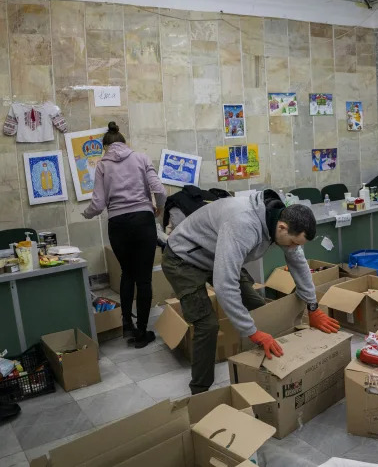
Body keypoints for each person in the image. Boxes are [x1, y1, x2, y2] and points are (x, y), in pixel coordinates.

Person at [162, 190, 341, 395]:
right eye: (292, 242)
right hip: (183, 259)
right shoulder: (243, 224)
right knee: (207, 325)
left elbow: (298, 263)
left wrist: (313, 306)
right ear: (282, 227)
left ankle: (265, 368)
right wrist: (252, 332)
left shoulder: (282, 220)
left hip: (217, 253)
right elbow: (224, 285)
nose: (293, 248)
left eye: (297, 244)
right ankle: (200, 391)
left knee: (258, 307)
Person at [83, 122, 166, 347]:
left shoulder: (102, 165)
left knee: (127, 274)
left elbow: (98, 203)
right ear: (124, 143)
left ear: (105, 147)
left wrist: (87, 214)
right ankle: (142, 332)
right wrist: (158, 209)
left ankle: (127, 324)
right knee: (144, 278)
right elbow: (160, 190)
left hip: (117, 225)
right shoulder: (141, 158)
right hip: (142, 221)